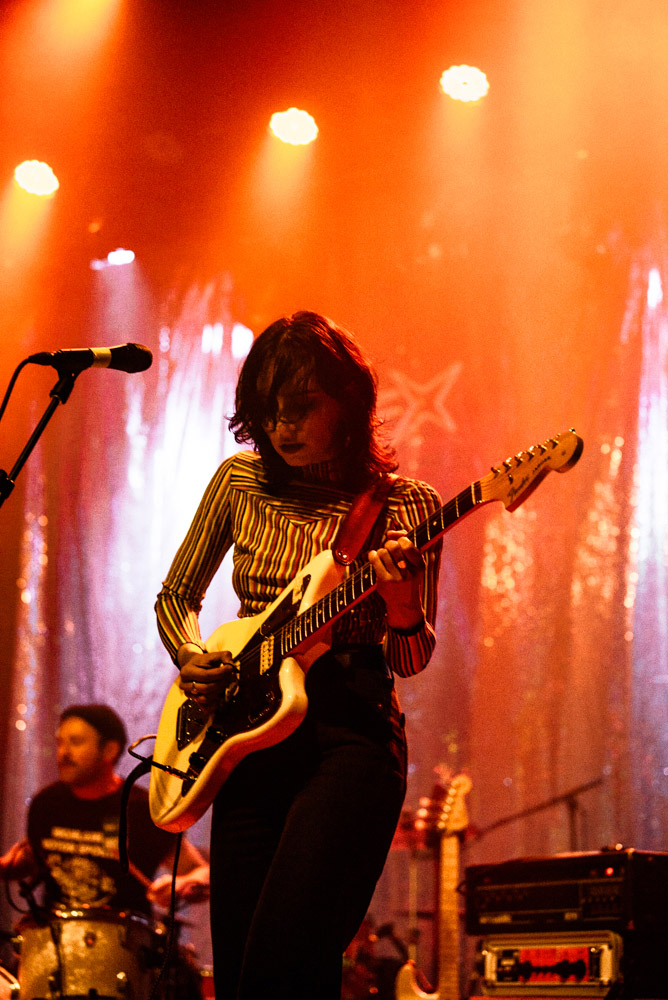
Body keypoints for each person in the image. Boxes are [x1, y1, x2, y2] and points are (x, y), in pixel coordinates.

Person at [155, 311, 442, 1000]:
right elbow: (175, 597)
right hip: (249, 739)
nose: (282, 426)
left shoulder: (408, 508)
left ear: (348, 404)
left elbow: (409, 657)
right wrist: (190, 656)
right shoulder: (239, 483)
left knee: (286, 957)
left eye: (302, 407)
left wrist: (401, 604)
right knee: (247, 972)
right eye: (269, 409)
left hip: (350, 732)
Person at [0, 704, 210, 915]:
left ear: (109, 750)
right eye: (60, 742)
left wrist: (184, 883)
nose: (63, 752)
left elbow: (202, 872)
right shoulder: (46, 802)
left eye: (75, 742)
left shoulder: (143, 808)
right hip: (54, 934)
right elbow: (32, 859)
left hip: (124, 939)